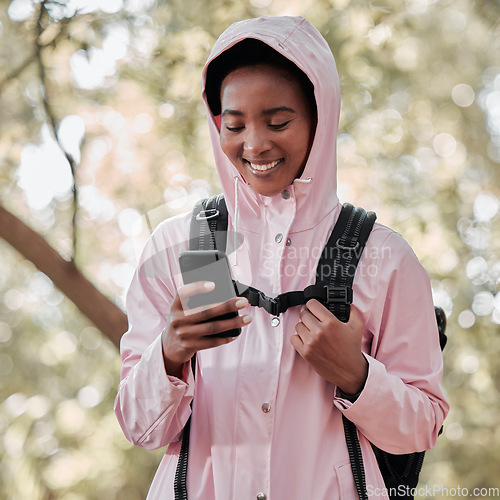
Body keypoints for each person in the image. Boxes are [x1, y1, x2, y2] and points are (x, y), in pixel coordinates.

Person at [114, 16, 449, 499]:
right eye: (234, 125)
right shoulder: (188, 247)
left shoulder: (384, 257)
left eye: (278, 122)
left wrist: (356, 375)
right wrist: (169, 353)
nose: (255, 144)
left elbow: (423, 427)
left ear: (320, 117)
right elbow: (141, 430)